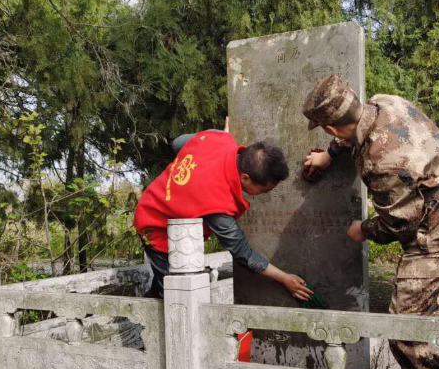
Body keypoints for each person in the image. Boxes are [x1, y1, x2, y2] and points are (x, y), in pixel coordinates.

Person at [302, 75, 439, 369]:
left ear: (329, 128)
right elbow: (355, 128)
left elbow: (399, 223)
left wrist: (363, 230)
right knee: (431, 314)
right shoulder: (385, 101)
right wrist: (328, 155)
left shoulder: (379, 162)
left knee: (407, 331)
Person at [134, 125, 313, 302]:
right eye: (264, 190)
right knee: (176, 296)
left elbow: (178, 143)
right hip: (156, 226)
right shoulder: (216, 202)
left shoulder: (218, 138)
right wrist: (284, 278)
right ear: (245, 178)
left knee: (163, 284)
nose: (265, 195)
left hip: (154, 200)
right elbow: (243, 252)